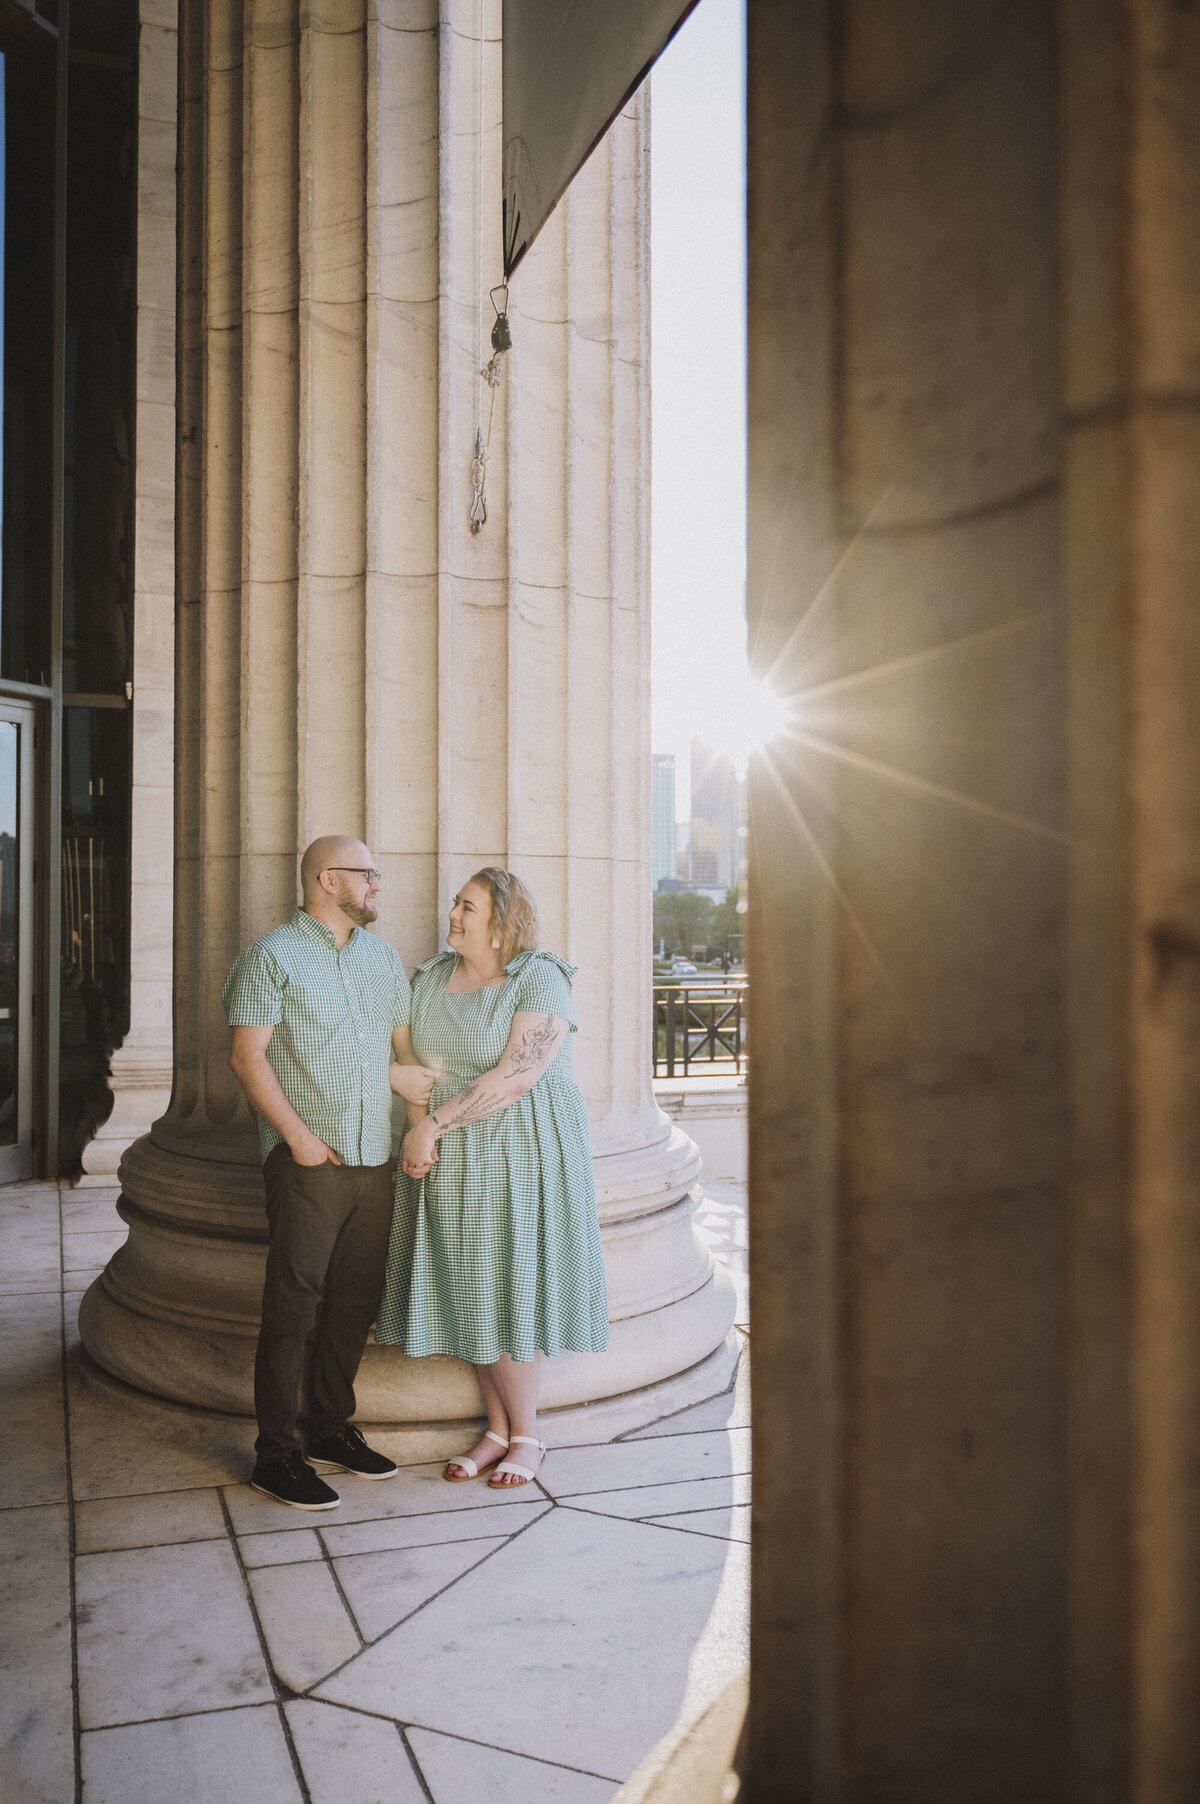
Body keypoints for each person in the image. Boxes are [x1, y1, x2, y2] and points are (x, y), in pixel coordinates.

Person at [375, 868, 609, 1488]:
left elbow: (518, 1075)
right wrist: (417, 1129)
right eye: (455, 902)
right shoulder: (428, 977)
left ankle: (528, 1434)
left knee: (508, 1284)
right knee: (473, 1285)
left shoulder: (538, 975)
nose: (453, 914)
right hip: (449, 1151)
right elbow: (411, 1065)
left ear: (503, 922)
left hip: (522, 1148)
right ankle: (499, 1430)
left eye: (468, 907)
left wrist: (432, 1128)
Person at [222, 836, 436, 1511]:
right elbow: (247, 1057)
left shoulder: (382, 959)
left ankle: (328, 1431)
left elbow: (404, 1053)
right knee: (292, 1309)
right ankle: (275, 1456)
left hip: (378, 1162)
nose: (378, 886)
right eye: (367, 875)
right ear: (326, 879)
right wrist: (299, 1140)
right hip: (310, 1163)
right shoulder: (269, 957)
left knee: (353, 1303)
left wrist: (423, 1125)